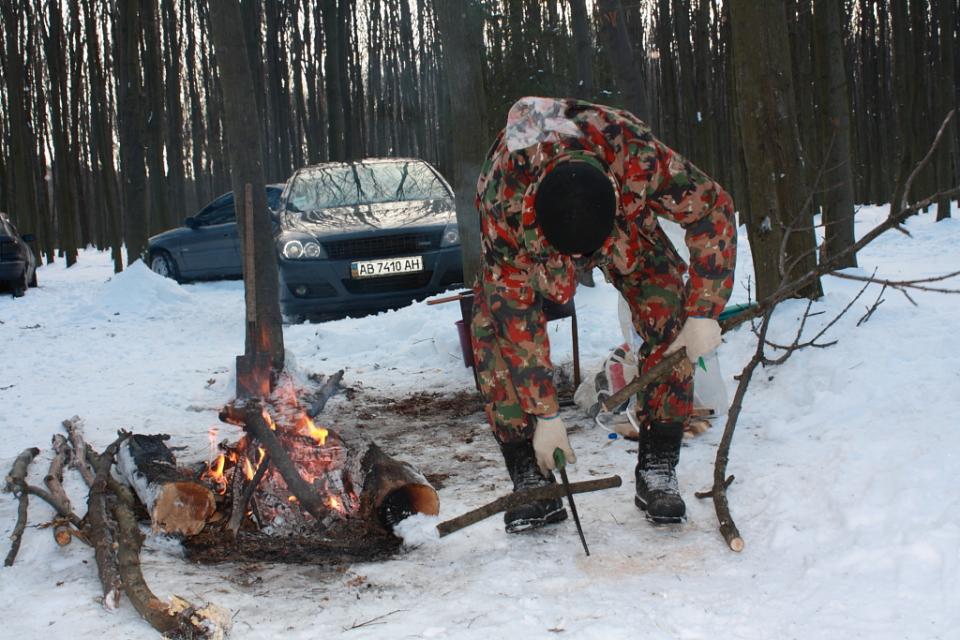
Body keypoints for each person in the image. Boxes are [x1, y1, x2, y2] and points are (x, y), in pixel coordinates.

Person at [470, 97, 736, 532]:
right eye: (572, 257)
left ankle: (657, 468)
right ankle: (531, 481)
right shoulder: (504, 195)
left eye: (584, 256)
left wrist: (705, 309)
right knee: (491, 332)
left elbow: (712, 208)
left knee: (669, 308)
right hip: (531, 236)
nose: (579, 262)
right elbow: (514, 316)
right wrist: (545, 415)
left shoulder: (636, 155)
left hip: (623, 226)